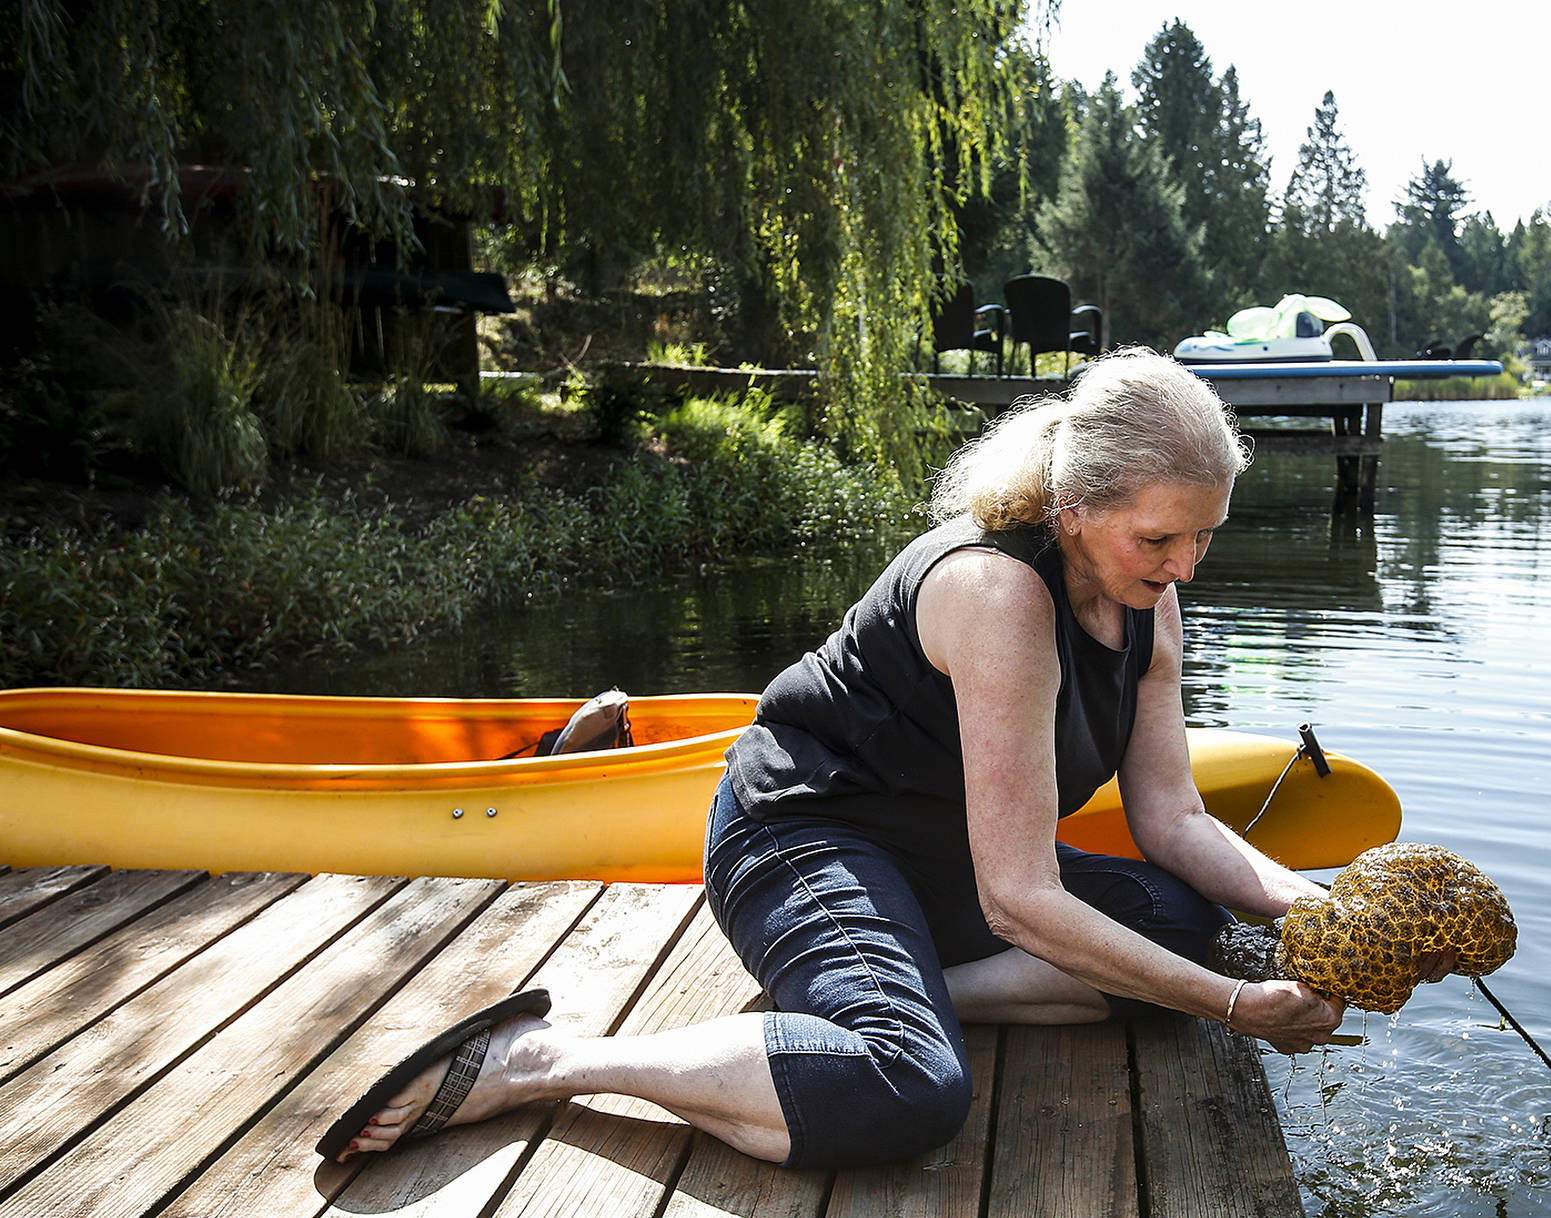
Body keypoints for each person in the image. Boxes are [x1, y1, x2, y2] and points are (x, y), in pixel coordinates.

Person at [326, 346, 1451, 1170]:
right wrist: (1234, 1009)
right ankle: (544, 1062)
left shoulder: (1148, 604)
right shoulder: (996, 594)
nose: (1182, 567)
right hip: (807, 838)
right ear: (1068, 509)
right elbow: (1020, 895)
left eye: (1202, 535)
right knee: (908, 1091)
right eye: (1155, 538)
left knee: (1180, 926)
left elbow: (1172, 821)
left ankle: (888, 990)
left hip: (940, 864)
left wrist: (1323, 916)